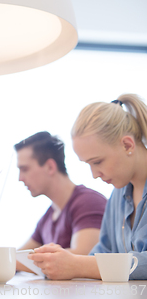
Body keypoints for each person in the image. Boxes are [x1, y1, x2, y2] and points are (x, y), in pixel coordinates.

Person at [29, 94, 147, 280]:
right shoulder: (118, 195)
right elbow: (104, 251)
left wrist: (78, 265)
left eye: (98, 161)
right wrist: (60, 261)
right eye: (88, 164)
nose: (94, 174)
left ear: (127, 145)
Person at [15, 132, 106, 271]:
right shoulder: (48, 217)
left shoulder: (88, 202)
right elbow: (18, 256)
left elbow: (83, 257)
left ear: (50, 167)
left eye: (25, 169)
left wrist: (7, 263)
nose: (20, 178)